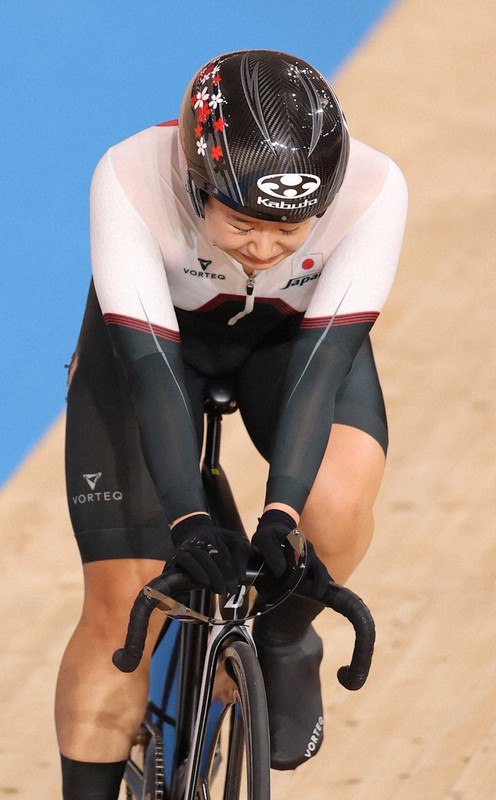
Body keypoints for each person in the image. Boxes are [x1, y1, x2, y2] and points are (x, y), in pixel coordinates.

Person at [55, 49, 407, 798]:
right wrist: (186, 520)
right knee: (124, 607)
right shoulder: (129, 176)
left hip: (290, 351)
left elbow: (323, 365)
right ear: (196, 181)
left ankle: (281, 637)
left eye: (292, 231)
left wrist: (281, 514)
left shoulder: (375, 191)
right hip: (151, 351)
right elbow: (151, 371)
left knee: (336, 511)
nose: (266, 248)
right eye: (244, 223)